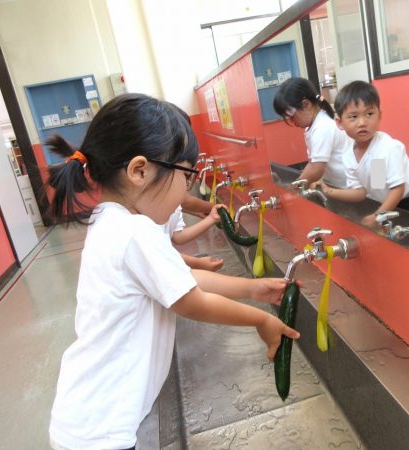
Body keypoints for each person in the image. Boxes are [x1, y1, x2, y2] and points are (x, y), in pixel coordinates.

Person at [46, 93, 299, 450]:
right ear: (139, 171)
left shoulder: (112, 221)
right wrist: (260, 319)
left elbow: (182, 280)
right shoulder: (135, 232)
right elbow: (192, 302)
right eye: (185, 175)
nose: (186, 189)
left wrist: (251, 288)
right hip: (99, 429)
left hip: (89, 416)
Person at [319, 80, 409, 228]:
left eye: (369, 114)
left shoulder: (387, 147)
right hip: (387, 202)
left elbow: (397, 189)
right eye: (353, 116)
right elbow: (361, 192)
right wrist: (329, 191)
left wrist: (378, 216)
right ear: (340, 123)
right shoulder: (349, 156)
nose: (362, 122)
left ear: (379, 115)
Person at [273, 77, 354, 188]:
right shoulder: (315, 125)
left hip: (350, 188)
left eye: (291, 116)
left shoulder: (322, 127)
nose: (291, 121)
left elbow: (316, 168)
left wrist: (293, 188)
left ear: (306, 104)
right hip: (340, 185)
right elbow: (313, 163)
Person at [163, 204, 224, 271]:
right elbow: (162, 252)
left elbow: (178, 236)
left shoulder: (175, 206)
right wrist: (197, 263)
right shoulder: (153, 220)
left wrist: (212, 218)